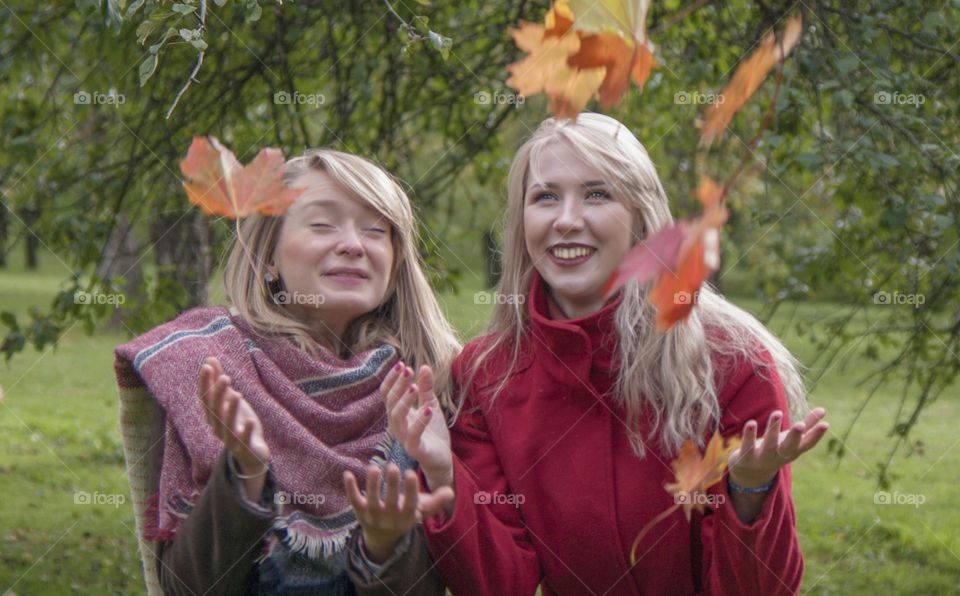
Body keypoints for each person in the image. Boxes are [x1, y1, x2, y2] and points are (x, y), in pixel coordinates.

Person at [384, 113, 830, 595]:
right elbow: (502, 584)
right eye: (545, 197)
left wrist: (749, 490)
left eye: (596, 194)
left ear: (641, 215)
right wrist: (444, 474)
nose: (567, 219)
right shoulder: (486, 374)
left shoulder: (733, 364)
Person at [114, 149, 456, 595]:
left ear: (394, 264)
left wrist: (385, 545)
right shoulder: (203, 362)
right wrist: (245, 473)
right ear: (269, 256)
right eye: (322, 224)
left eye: (376, 230)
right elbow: (186, 587)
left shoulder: (427, 384)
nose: (354, 244)